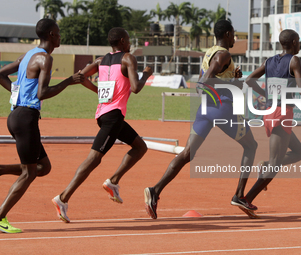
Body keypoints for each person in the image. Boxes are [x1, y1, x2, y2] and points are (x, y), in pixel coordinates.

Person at [144, 20, 262, 220]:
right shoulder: (223, 54)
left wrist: (234, 80)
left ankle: (155, 191)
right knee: (251, 146)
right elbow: (205, 81)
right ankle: (239, 195)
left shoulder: (210, 52)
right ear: (226, 34)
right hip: (221, 108)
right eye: (234, 35)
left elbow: (214, 79)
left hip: (206, 109)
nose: (235, 39)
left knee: (187, 153)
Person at [52, 27, 153, 223]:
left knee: (140, 146)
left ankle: (113, 181)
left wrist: (98, 91)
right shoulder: (128, 59)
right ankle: (63, 198)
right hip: (113, 116)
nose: (130, 43)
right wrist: (146, 75)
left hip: (104, 115)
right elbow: (135, 88)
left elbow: (81, 76)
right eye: (129, 40)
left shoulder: (101, 60)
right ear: (123, 41)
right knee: (93, 159)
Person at [0, 18, 84, 233]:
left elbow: (0, 74)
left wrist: (16, 93)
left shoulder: (27, 55)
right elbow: (42, 93)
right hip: (26, 118)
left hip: (17, 116)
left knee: (43, 168)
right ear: (50, 35)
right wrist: (68, 81)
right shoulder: (45, 59)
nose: (60, 36)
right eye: (57, 32)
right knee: (29, 173)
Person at [243, 29, 301, 217]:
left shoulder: (269, 61)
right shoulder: (294, 61)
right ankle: (247, 199)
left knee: (299, 152)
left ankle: (264, 166)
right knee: (275, 163)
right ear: (294, 42)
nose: (300, 44)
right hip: (282, 113)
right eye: (299, 41)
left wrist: (265, 94)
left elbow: (249, 80)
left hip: (270, 112)